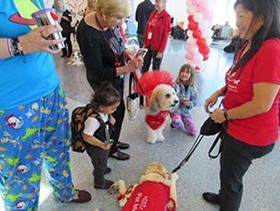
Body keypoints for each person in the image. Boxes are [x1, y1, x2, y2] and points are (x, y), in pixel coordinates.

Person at [0, 0, 92, 210]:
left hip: (51, 90)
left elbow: (47, 33)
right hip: (13, 103)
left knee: (58, 149)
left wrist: (58, 9)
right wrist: (20, 44)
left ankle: (64, 191)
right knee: (20, 176)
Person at [203, 0, 280, 210]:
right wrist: (220, 92)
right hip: (235, 125)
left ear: (262, 17)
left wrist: (225, 115)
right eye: (236, 16)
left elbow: (262, 103)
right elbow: (238, 78)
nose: (237, 23)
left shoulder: (271, 49)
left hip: (251, 133)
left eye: (241, 16)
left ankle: (228, 203)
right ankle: (224, 196)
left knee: (231, 178)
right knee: (227, 170)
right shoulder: (249, 44)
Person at [77, 0, 143, 161]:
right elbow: (98, 72)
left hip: (115, 74)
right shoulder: (89, 34)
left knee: (118, 111)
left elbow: (116, 43)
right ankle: (109, 147)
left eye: (123, 19)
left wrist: (125, 53)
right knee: (113, 112)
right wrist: (127, 68)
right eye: (118, 19)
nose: (121, 24)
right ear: (104, 15)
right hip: (103, 81)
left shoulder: (106, 23)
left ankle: (114, 142)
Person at [83, 81, 120, 189]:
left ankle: (101, 167)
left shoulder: (103, 113)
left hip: (103, 144)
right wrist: (100, 144)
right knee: (99, 163)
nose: (115, 110)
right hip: (96, 147)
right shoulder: (93, 120)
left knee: (102, 160)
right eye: (113, 109)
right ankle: (99, 182)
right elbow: (86, 136)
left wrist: (110, 118)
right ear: (101, 107)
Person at [142, 0, 171, 73]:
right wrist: (145, 42)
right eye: (155, 2)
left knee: (155, 69)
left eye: (158, 2)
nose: (156, 4)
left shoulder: (166, 17)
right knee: (144, 66)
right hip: (148, 44)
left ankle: (155, 84)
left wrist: (161, 51)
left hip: (157, 47)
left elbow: (165, 36)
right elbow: (147, 29)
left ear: (164, 2)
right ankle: (143, 82)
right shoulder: (152, 14)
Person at [170, 64, 197, 136]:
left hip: (185, 111)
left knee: (193, 132)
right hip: (175, 109)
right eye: (182, 71)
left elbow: (194, 101)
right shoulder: (175, 85)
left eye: (187, 72)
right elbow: (170, 97)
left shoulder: (193, 88)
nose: (184, 74)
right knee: (177, 122)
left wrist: (189, 105)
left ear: (191, 75)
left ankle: (182, 120)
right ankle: (174, 124)